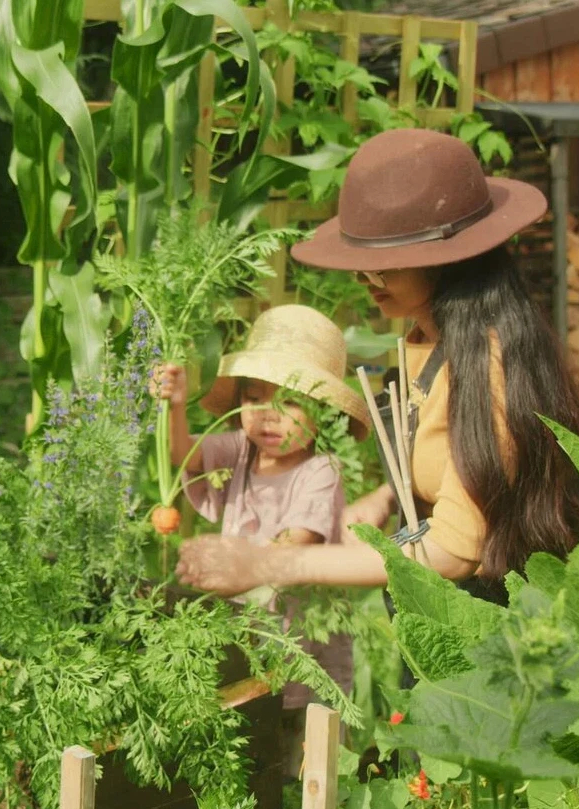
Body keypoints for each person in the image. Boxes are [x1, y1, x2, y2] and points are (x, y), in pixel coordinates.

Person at [175, 128, 579, 603]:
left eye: (380, 265)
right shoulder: (425, 339)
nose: (362, 279)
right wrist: (385, 504)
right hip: (439, 607)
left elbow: (452, 552)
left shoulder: (488, 369)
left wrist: (267, 563)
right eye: (357, 264)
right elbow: (450, 473)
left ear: (447, 261)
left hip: (490, 624)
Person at [151, 303, 373, 777]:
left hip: (301, 646)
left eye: (289, 402)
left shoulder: (320, 472)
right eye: (255, 397)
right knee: (249, 746)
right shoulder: (239, 450)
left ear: (325, 414)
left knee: (302, 756)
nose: (268, 416)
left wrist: (236, 570)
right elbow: (183, 456)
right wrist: (174, 406)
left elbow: (295, 546)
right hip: (248, 635)